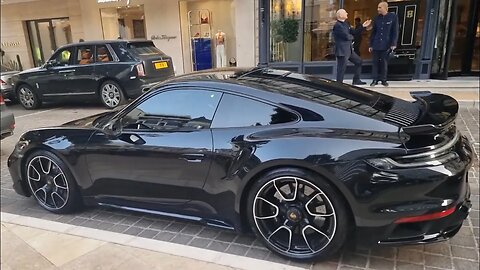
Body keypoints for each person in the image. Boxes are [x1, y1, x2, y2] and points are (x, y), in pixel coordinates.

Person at [332, 9, 371, 85]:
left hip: (349, 50)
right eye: (345, 12)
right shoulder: (337, 25)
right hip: (342, 51)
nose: (347, 13)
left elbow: (354, 32)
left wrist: (363, 26)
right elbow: (346, 36)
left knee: (359, 61)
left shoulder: (346, 23)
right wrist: (352, 37)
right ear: (340, 15)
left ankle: (356, 80)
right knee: (341, 69)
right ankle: (338, 85)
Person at [369, 1, 399, 87]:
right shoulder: (376, 18)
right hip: (376, 44)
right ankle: (374, 79)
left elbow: (395, 31)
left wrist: (393, 43)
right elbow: (373, 32)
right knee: (375, 63)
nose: (378, 9)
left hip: (386, 44)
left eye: (380, 7)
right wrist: (371, 44)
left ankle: (383, 80)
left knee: (384, 63)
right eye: (378, 7)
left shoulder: (392, 17)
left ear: (385, 8)